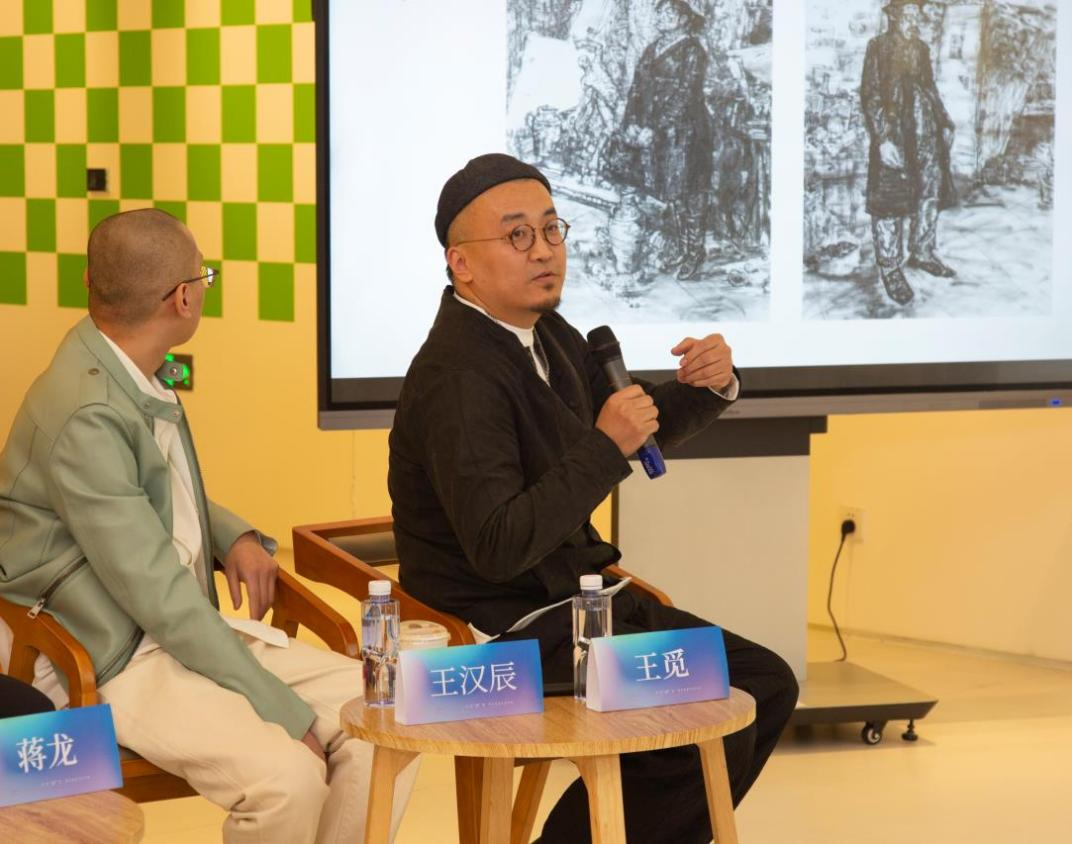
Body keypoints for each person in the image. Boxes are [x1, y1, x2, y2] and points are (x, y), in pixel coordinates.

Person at [389, 153, 798, 844]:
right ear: (462, 264)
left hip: (577, 609)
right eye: (517, 235)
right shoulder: (457, 375)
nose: (544, 250)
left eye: (552, 229)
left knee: (763, 683)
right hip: (502, 638)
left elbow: (627, 422)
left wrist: (705, 386)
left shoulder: (546, 333)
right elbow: (498, 546)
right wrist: (607, 446)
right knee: (701, 721)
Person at [0, 209, 416, 843]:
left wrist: (231, 535)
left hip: (163, 625)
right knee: (287, 781)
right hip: (113, 649)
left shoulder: (117, 360)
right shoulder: (87, 408)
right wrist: (283, 712)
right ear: (183, 298)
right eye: (205, 277)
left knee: (387, 717)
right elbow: (157, 596)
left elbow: (141, 490)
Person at [860, 0, 958, 305]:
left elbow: (930, 88)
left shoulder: (921, 49)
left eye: (918, 13)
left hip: (926, 133)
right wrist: (883, 139)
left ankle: (922, 251)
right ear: (894, 16)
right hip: (896, 135)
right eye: (909, 14)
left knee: (929, 193)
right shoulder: (878, 47)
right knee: (889, 201)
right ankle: (890, 268)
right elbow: (871, 95)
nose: (915, 19)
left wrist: (944, 121)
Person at [614, 0, 714, 279]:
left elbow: (686, 94)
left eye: (668, 12)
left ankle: (694, 252)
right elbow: (636, 89)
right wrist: (630, 123)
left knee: (690, 192)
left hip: (687, 133)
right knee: (672, 192)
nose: (660, 17)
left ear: (684, 18)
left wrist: (654, 127)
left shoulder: (693, 50)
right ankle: (683, 249)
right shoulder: (652, 48)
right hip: (659, 134)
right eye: (659, 12)